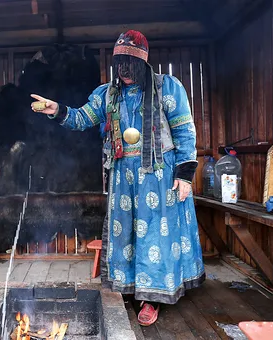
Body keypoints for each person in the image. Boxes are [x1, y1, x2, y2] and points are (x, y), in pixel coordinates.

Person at [30, 30, 205, 326]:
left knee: (154, 234)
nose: (124, 70)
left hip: (159, 175)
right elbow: (81, 118)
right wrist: (56, 109)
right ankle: (129, 286)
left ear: (142, 63)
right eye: (119, 63)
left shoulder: (167, 88)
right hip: (123, 175)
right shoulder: (108, 95)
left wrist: (185, 176)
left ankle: (152, 297)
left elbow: (185, 132)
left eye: (129, 64)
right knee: (125, 234)